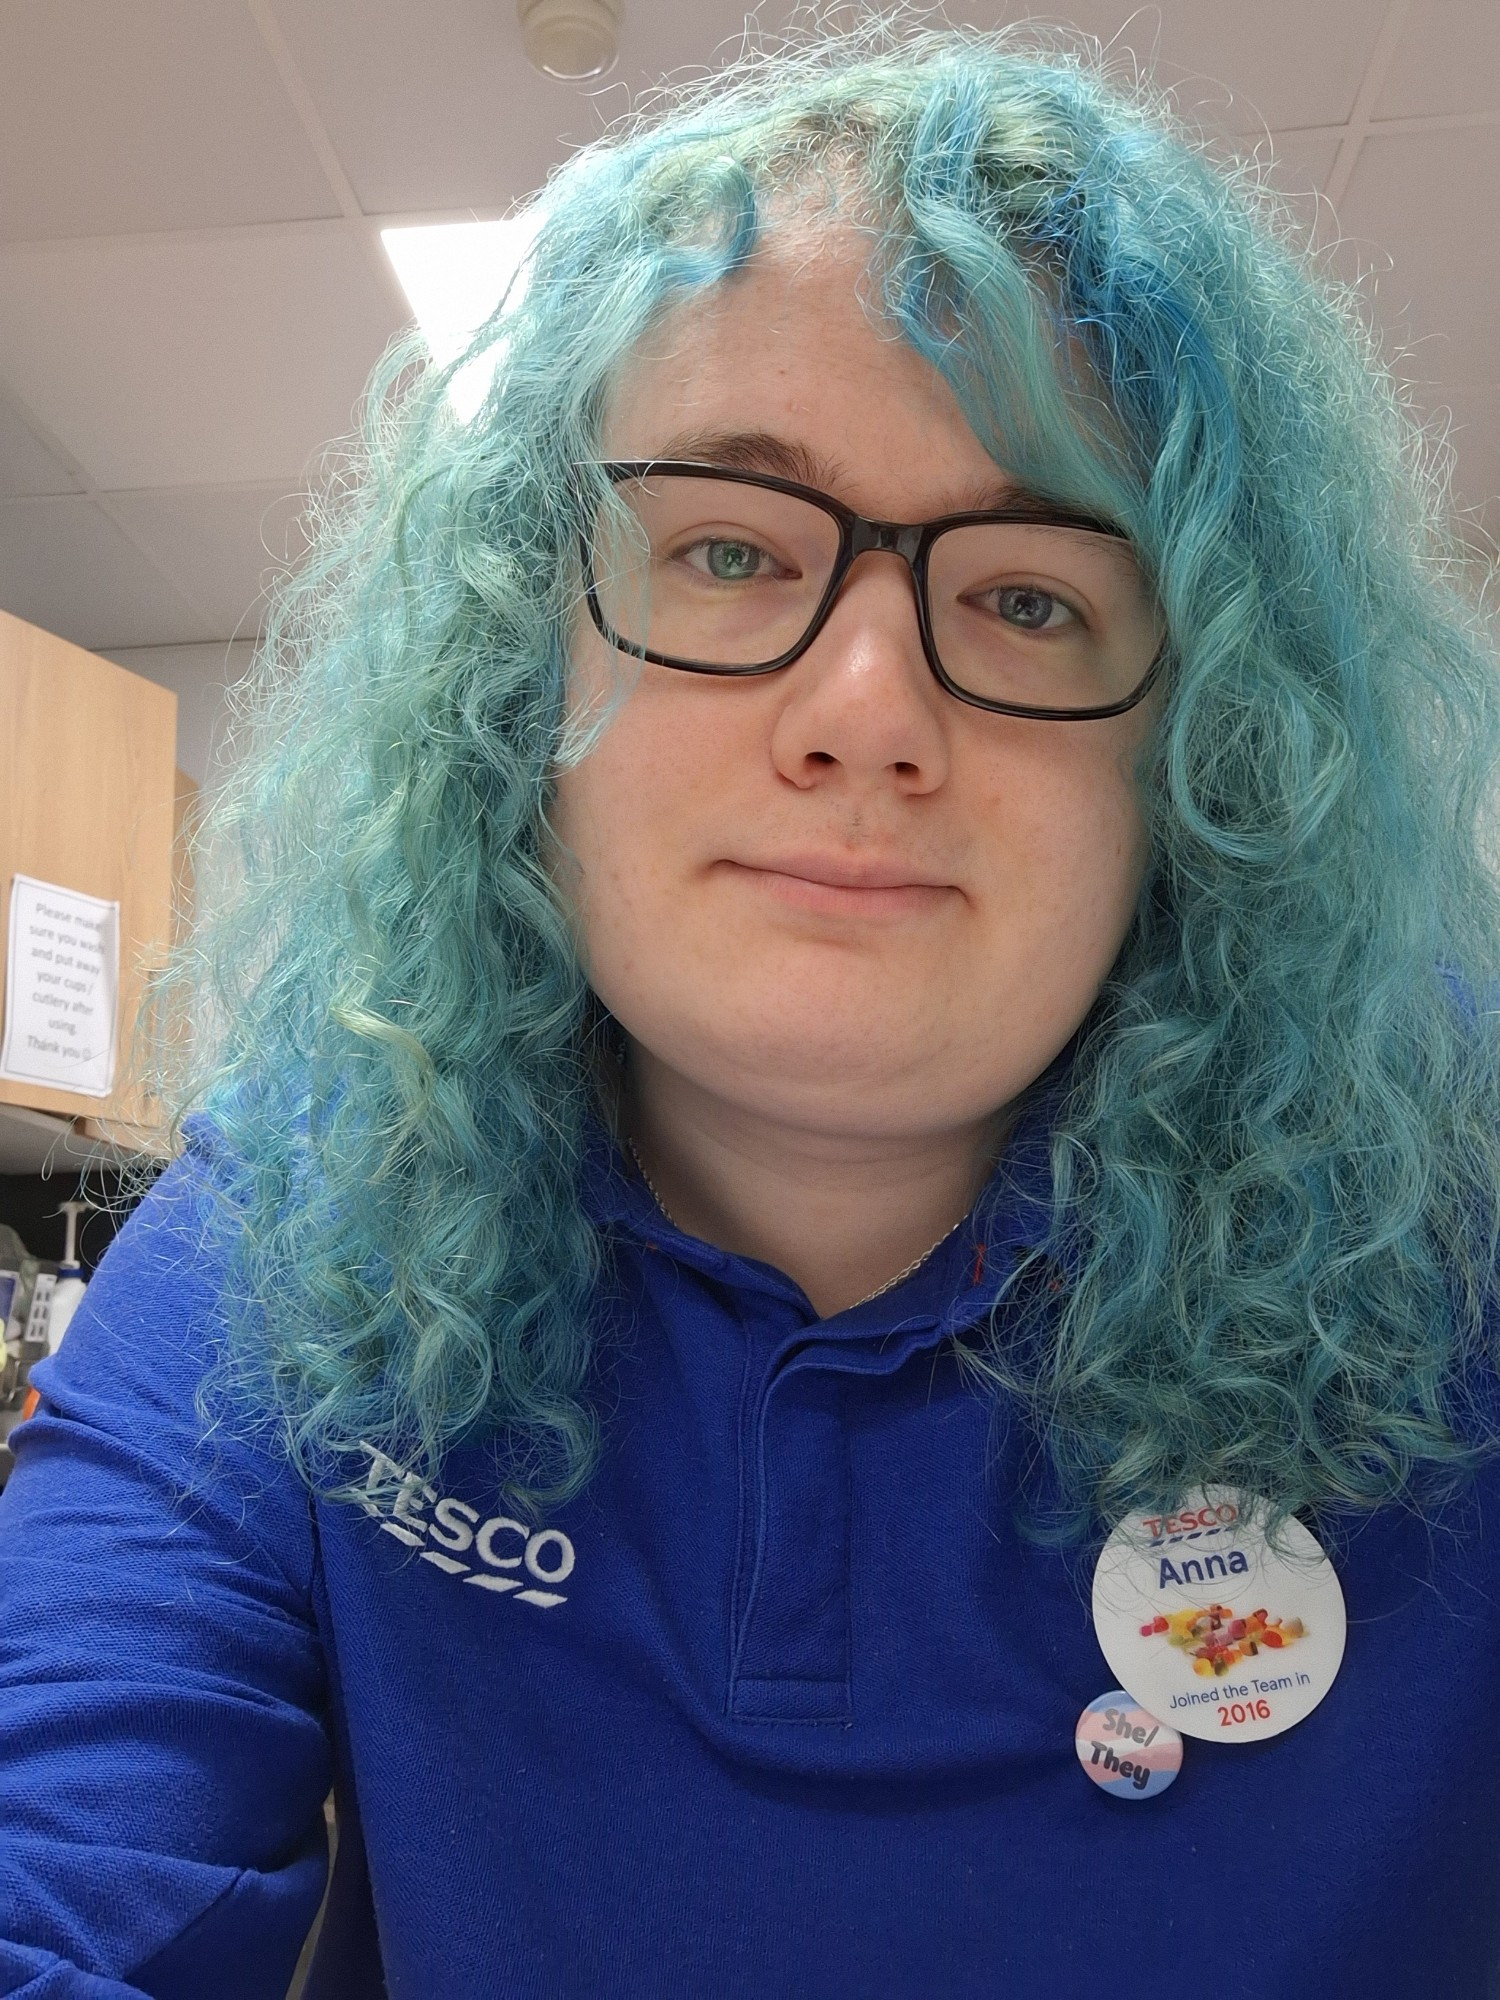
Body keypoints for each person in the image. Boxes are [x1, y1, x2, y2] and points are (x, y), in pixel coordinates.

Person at [4, 23, 1500, 2000]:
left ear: (1202, 753)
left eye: (1033, 596)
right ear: (515, 671)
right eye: (723, 548)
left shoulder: (1456, 1229)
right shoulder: (307, 1221)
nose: (868, 712)